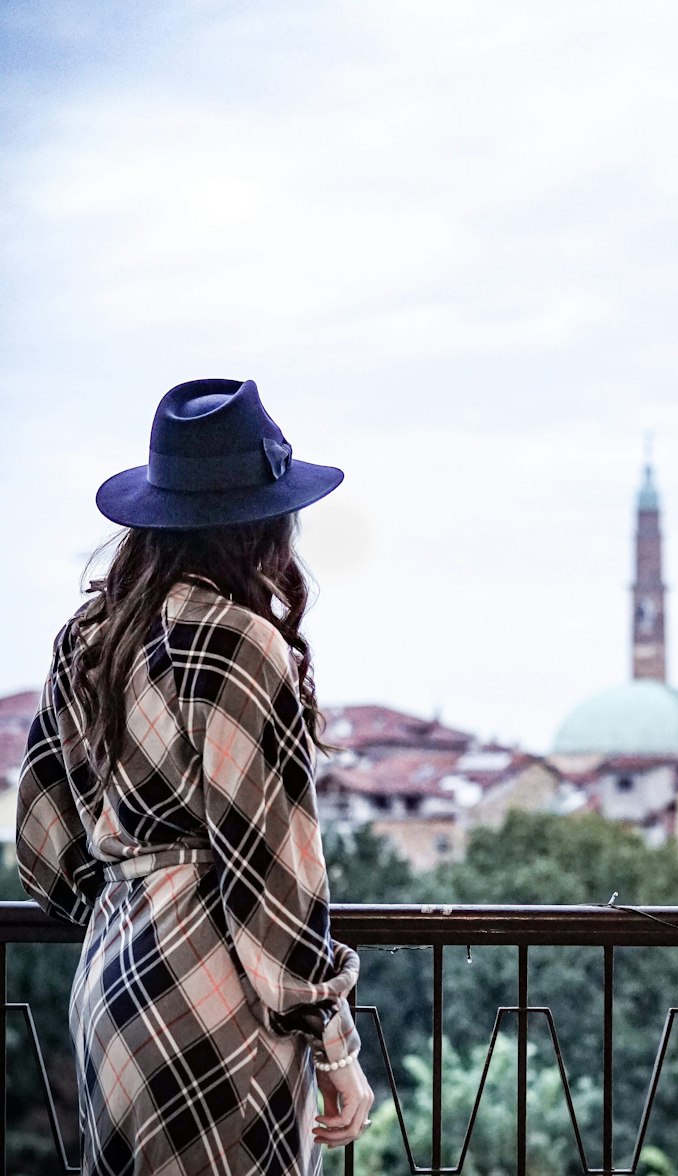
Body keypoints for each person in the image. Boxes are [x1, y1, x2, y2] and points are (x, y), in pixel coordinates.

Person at [16, 378, 374, 1175]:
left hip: (111, 996)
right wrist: (334, 1045)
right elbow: (277, 870)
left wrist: (136, 897)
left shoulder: (89, 637)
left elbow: (41, 843)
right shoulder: (243, 642)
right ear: (263, 524)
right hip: (220, 1007)